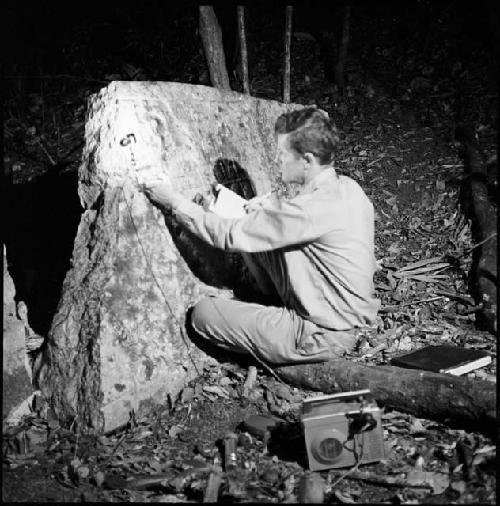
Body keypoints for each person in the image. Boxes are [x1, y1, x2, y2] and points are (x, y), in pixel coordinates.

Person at [142, 107, 379, 365]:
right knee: (259, 236)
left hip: (323, 335)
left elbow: (229, 235)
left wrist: (174, 203)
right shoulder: (347, 188)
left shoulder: (305, 211)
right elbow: (302, 223)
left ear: (307, 160)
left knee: (203, 314)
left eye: (282, 154)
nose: (277, 160)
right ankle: (269, 310)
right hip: (347, 317)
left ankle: (279, 332)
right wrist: (267, 211)